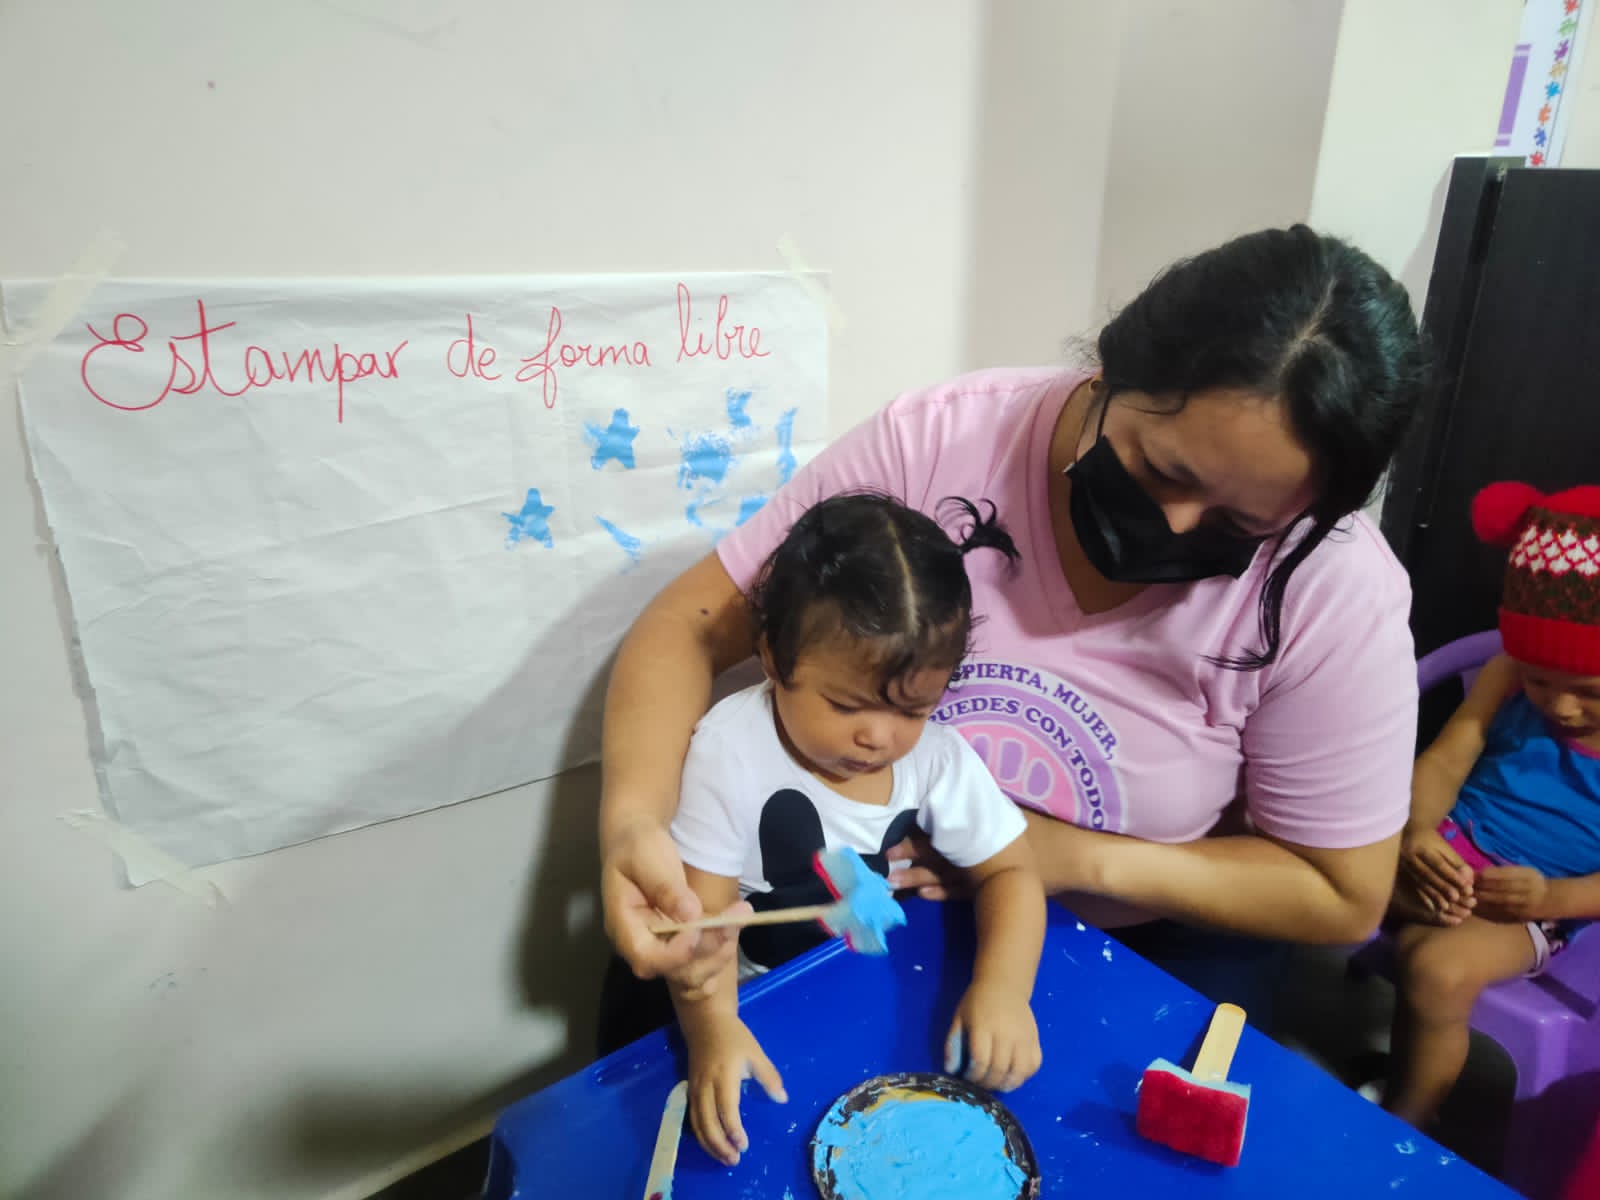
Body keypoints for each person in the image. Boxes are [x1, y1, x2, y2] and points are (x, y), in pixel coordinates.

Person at [599, 224, 1429, 1022]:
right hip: (859, 911)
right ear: (1108, 371)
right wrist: (633, 822)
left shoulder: (1335, 588)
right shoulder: (939, 443)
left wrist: (1063, 857)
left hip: (1128, 943)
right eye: (1160, 469)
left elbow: (1341, 892)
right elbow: (691, 624)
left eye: (1242, 524)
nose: (1177, 525)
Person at [626, 491, 1045, 1166]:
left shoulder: (937, 758)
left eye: (913, 709)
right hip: (751, 993)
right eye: (846, 704)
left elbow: (1012, 870)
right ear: (773, 656)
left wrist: (1004, 989)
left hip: (865, 985)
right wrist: (714, 1030)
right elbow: (702, 928)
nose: (878, 736)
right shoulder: (729, 750)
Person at [1381, 483, 1600, 1128]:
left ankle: (1407, 1121)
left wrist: (1551, 898)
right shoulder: (1507, 672)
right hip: (1450, 848)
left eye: (1589, 691)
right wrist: (1416, 831)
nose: (1560, 706)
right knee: (1327, 870)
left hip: (1535, 901)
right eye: (1540, 681)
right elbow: (1448, 759)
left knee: (1437, 969)